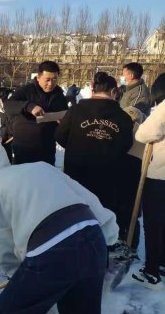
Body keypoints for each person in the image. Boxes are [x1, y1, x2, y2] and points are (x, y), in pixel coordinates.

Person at [0, 143, 118, 314]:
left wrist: (16, 275)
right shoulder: (41, 167)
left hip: (53, 250)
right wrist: (109, 235)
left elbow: (0, 238)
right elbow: (88, 198)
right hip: (94, 238)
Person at [55, 72, 133, 224]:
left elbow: (59, 135)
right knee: (101, 213)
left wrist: (75, 147)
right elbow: (126, 145)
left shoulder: (75, 111)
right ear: (113, 92)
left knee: (77, 210)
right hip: (107, 174)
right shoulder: (123, 117)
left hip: (76, 170)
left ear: (93, 90)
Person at [132, 73, 165, 288]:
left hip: (160, 175)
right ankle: (162, 262)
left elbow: (144, 134)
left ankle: (152, 271)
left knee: (153, 222)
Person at [6, 61, 68, 165]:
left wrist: (63, 121)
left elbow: (64, 113)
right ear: (38, 77)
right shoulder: (26, 90)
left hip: (47, 149)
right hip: (24, 147)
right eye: (47, 80)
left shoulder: (59, 95)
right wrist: (29, 106)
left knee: (44, 179)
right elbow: (8, 105)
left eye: (54, 79)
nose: (51, 84)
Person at [117, 106, 146, 251]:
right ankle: (129, 241)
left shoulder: (121, 130)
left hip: (129, 172)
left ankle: (128, 240)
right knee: (129, 210)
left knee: (126, 209)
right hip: (132, 172)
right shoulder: (141, 134)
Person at [0, 87, 13, 163]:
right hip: (6, 136)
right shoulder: (1, 108)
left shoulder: (10, 108)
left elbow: (8, 123)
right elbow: (4, 124)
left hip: (12, 136)